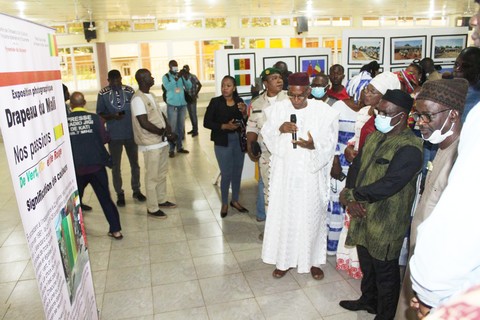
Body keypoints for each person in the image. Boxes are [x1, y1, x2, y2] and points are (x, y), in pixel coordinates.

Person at [409, 8, 480, 316]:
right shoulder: (439, 145)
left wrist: (431, 293)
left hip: (449, 288)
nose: (473, 23)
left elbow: (461, 226)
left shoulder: (469, 132)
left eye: (426, 116)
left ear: (453, 116)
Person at [338, 89, 423, 319]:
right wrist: (350, 194)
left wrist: (354, 196)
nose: (378, 116)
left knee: (385, 272)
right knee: (367, 264)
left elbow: (390, 184)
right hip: (362, 213)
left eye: (385, 112)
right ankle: (368, 300)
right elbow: (356, 167)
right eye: (378, 111)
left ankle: (385, 314)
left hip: (386, 220)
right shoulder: (375, 136)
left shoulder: (410, 147)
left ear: (402, 116)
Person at [394, 79, 468, 320]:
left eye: (427, 116)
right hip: (422, 264)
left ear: (453, 115)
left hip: (439, 279)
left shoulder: (463, 161)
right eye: (417, 116)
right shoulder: (442, 149)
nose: (420, 124)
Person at [261, 72, 339, 280]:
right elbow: (267, 135)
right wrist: (280, 128)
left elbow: (331, 142)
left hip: (310, 175)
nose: (296, 101)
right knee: (286, 216)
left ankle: (313, 261)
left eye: (300, 96)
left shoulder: (323, 112)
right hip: (285, 174)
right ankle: (284, 261)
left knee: (311, 216)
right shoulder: (277, 110)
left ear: (308, 92)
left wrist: (313, 145)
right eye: (292, 96)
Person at [67, 92, 123, 240]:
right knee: (105, 198)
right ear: (84, 102)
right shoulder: (96, 119)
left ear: (71, 105)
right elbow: (105, 139)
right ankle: (116, 230)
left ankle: (73, 233)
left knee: (75, 201)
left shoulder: (65, 121)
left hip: (77, 169)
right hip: (97, 166)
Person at [131, 69, 177, 219]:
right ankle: (152, 208)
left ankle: (161, 199)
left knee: (162, 174)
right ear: (143, 79)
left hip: (161, 142)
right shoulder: (138, 99)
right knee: (151, 177)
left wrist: (168, 129)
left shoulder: (152, 95)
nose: (152, 77)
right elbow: (143, 122)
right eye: (150, 76)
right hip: (150, 143)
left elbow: (160, 114)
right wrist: (163, 133)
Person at [97, 69, 146, 207]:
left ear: (121, 78)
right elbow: (100, 115)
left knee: (135, 164)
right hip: (114, 136)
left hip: (130, 134)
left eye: (117, 80)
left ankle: (136, 190)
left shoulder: (130, 91)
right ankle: (120, 194)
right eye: (112, 81)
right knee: (115, 166)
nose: (115, 83)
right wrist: (113, 116)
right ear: (108, 81)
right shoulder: (103, 93)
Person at [203, 75, 249, 218]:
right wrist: (224, 126)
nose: (224, 88)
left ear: (234, 88)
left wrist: (244, 112)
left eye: (228, 85)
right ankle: (224, 203)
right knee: (226, 173)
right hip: (222, 141)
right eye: (223, 85)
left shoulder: (239, 101)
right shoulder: (215, 102)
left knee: (237, 172)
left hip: (238, 141)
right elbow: (206, 122)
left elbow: (245, 121)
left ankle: (235, 200)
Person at [246, 67, 287, 223]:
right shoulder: (257, 103)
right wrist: (251, 145)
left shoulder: (290, 99)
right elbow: (251, 126)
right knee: (269, 191)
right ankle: (272, 230)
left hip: (287, 154)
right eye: (274, 78)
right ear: (265, 83)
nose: (279, 80)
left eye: (280, 77)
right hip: (266, 155)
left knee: (286, 190)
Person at [162, 60, 192, 158]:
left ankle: (179, 147)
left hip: (182, 105)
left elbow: (189, 86)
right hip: (172, 105)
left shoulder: (181, 75)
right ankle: (171, 149)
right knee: (173, 127)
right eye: (173, 66)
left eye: (176, 65)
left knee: (180, 127)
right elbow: (168, 87)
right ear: (169, 66)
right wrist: (176, 78)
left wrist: (185, 77)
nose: (175, 67)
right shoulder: (166, 77)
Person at [452, 47, 480, 123]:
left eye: (465, 66)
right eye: (456, 64)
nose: (457, 69)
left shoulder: (476, 100)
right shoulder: (452, 90)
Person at [183, 65, 202, 137]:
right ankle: (193, 129)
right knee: (190, 114)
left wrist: (195, 94)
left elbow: (200, 85)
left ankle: (196, 130)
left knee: (193, 114)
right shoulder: (183, 78)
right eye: (184, 69)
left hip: (193, 98)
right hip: (187, 98)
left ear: (189, 69)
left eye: (186, 68)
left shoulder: (193, 76)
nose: (186, 70)